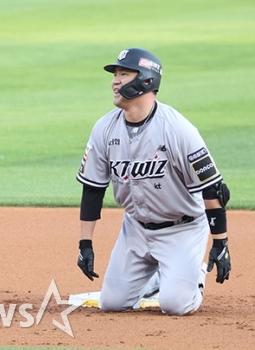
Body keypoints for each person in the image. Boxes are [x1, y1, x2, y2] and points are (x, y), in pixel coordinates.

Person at [75, 48, 231, 316]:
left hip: (182, 229)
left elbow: (212, 187)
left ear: (146, 81)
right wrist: (85, 245)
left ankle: (191, 276)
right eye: (115, 74)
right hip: (135, 230)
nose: (115, 81)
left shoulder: (177, 129)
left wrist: (220, 242)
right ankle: (159, 276)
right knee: (112, 304)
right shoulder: (104, 128)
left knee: (176, 306)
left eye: (124, 74)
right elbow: (92, 189)